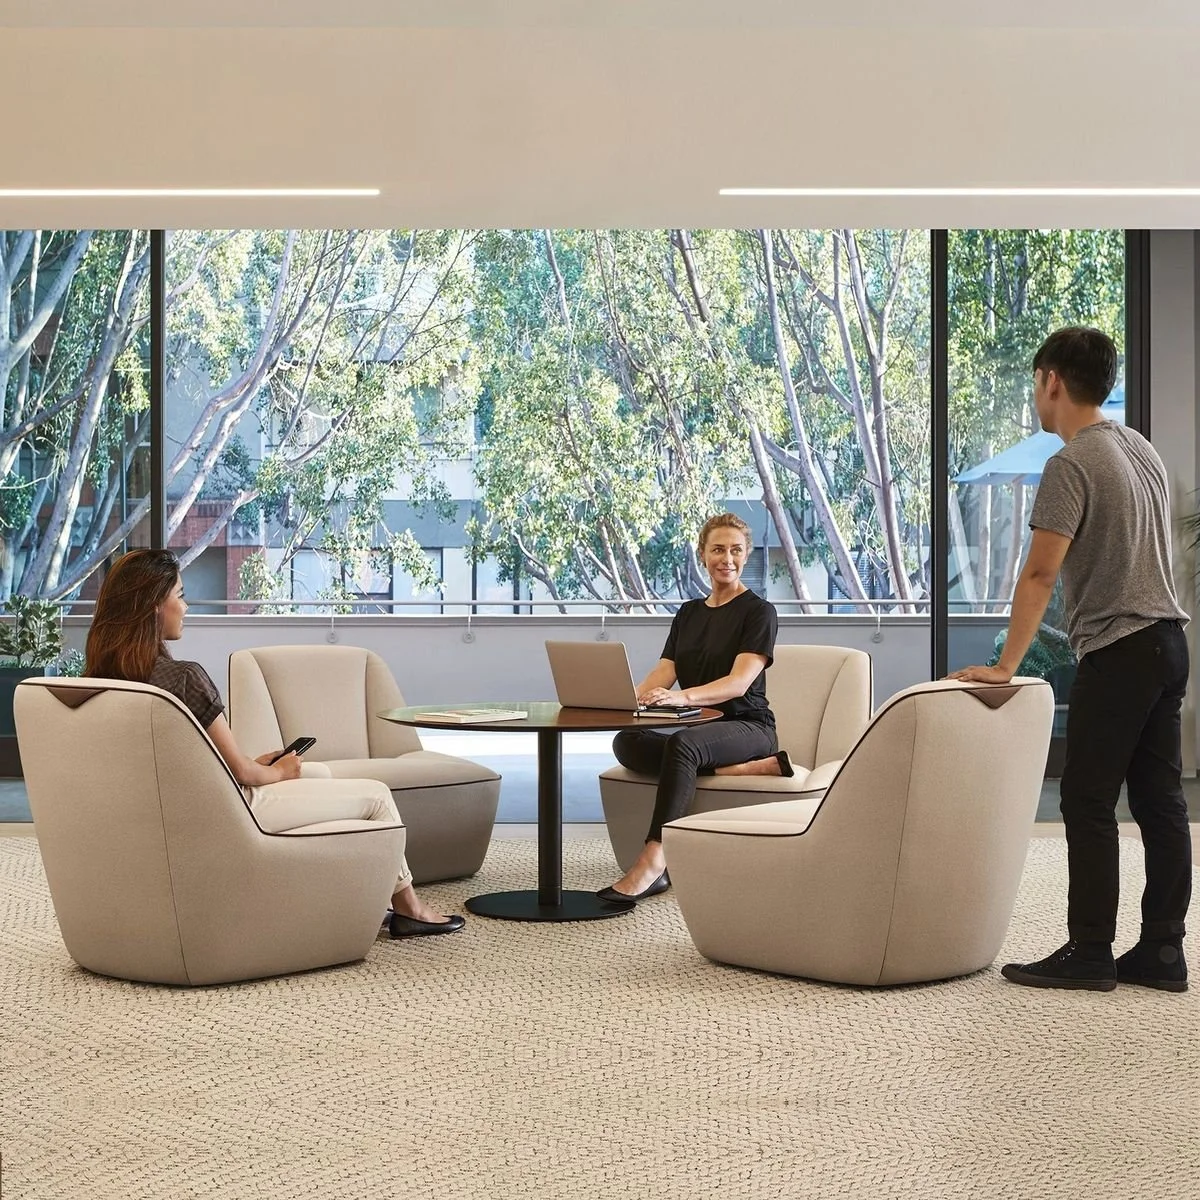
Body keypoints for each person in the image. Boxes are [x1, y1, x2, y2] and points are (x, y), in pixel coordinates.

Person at [949, 326, 1190, 993]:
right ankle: (1164, 953)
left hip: (1121, 647)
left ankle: (1090, 951)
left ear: (1051, 379)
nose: (1035, 395)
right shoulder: (1137, 448)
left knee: (1085, 800)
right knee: (1160, 801)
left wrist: (1006, 666)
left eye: (1034, 383)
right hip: (1169, 642)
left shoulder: (1073, 462)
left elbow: (1039, 574)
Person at [85, 548, 464, 940]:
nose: (186, 605)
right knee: (377, 796)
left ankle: (358, 892)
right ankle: (410, 909)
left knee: (312, 771)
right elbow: (243, 774)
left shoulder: (99, 681)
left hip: (172, 814)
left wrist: (265, 768)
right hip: (231, 812)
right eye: (179, 594)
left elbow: (189, 761)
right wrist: (274, 770)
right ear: (152, 607)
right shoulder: (184, 679)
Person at [596, 513, 790, 903]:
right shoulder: (688, 613)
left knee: (683, 746)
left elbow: (738, 682)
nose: (728, 559)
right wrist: (621, 698)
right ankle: (732, 770)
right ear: (702, 554)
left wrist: (684, 698)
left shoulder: (759, 612)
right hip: (702, 731)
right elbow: (664, 672)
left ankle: (655, 860)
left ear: (746, 554)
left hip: (747, 725)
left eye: (736, 550)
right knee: (627, 742)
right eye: (718, 549)